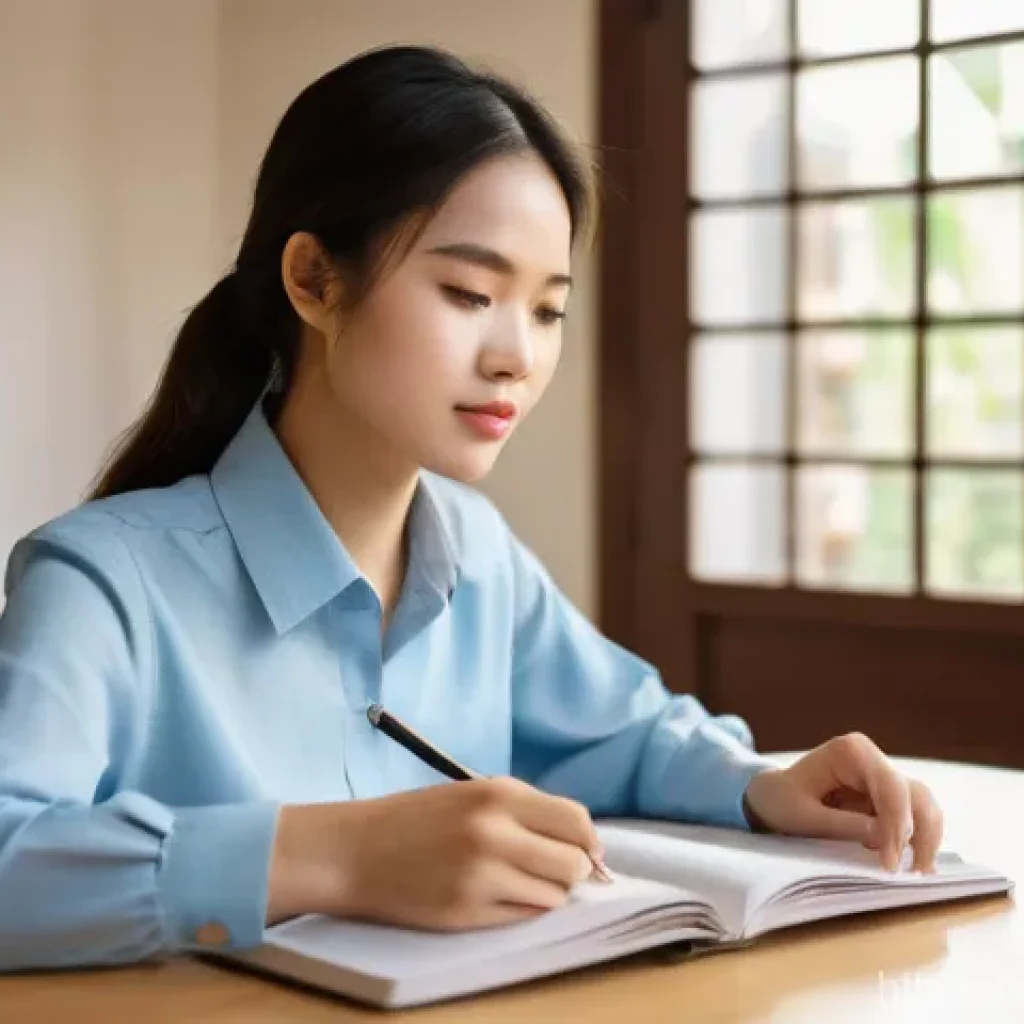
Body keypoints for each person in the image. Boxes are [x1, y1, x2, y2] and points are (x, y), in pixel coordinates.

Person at [0, 45, 943, 972]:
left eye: (546, 310)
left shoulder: (476, 557)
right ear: (314, 282)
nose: (516, 357)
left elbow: (628, 732)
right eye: (469, 292)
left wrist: (764, 786)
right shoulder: (101, 584)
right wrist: (338, 857)